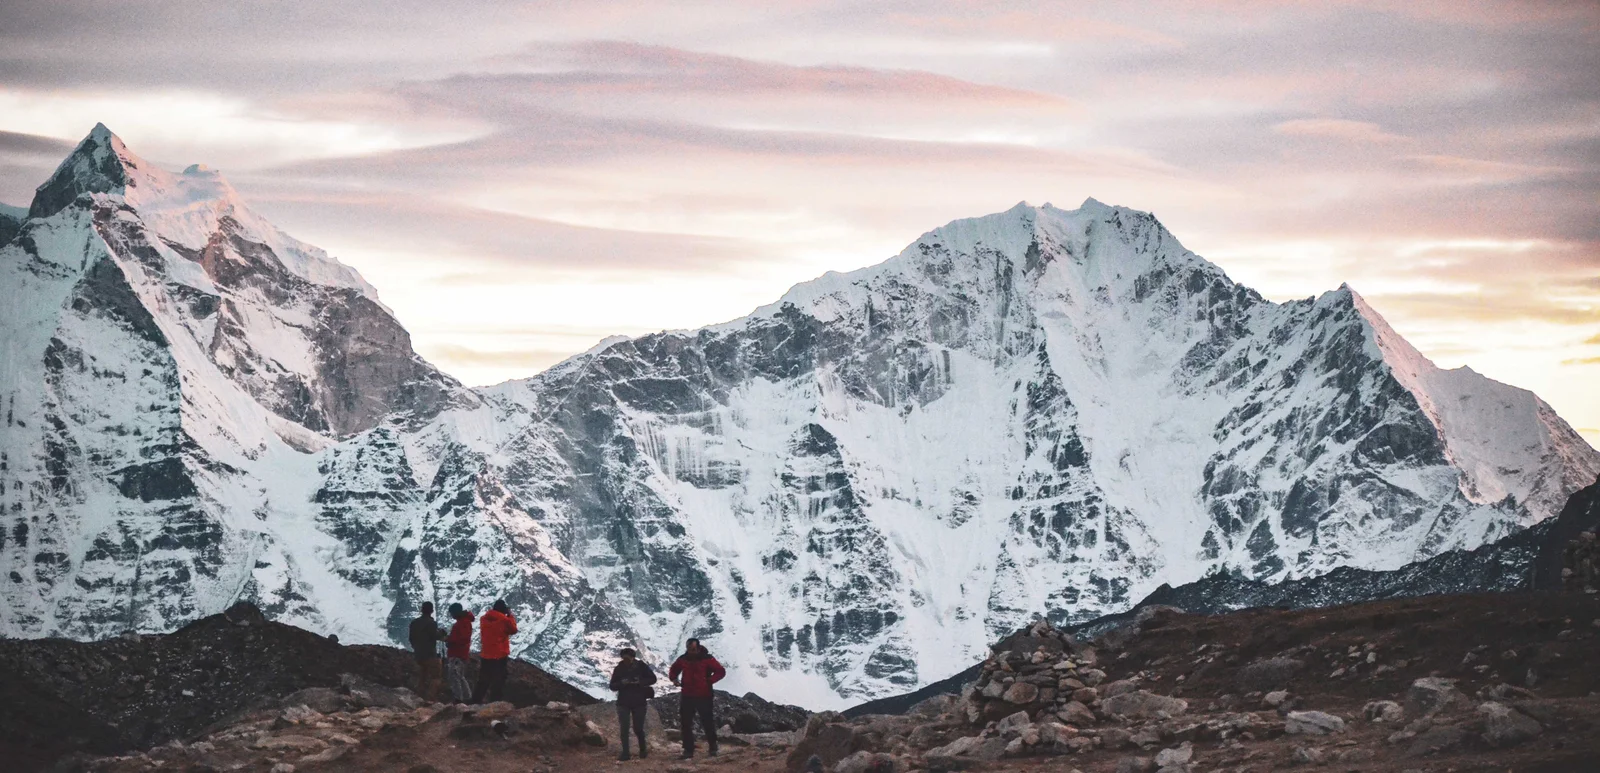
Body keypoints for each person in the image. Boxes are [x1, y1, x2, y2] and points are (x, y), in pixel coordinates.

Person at [668, 638, 725, 759]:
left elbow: (720, 671)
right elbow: (674, 669)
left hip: (704, 695)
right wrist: (674, 679)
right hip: (687, 695)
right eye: (689, 649)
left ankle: (713, 747)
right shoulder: (683, 659)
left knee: (707, 721)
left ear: (698, 648)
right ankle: (688, 750)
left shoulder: (707, 659)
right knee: (686, 723)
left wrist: (710, 681)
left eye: (693, 649)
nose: (691, 651)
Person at [608, 647, 658, 761]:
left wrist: (639, 682)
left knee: (638, 728)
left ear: (633, 658)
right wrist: (622, 683)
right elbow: (612, 686)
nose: (626, 660)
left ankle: (643, 750)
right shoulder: (619, 669)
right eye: (624, 658)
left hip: (639, 702)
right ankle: (626, 753)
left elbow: (653, 679)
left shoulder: (641, 666)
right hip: (623, 703)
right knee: (624, 728)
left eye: (628, 658)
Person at [472, 599, 518, 704]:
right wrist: (510, 615)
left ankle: (476, 700)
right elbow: (513, 630)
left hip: (486, 653)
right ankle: (495, 702)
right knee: (499, 679)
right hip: (499, 654)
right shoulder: (505, 620)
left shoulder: (484, 619)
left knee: (483, 679)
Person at [407, 602, 448, 702]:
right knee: (436, 677)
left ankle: (418, 698)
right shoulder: (431, 623)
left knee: (422, 677)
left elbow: (411, 638)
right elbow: (436, 636)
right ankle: (430, 700)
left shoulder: (414, 623)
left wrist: (416, 648)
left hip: (418, 655)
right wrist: (442, 633)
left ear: (421, 610)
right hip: (430, 655)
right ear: (432, 611)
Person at [444, 603, 475, 703]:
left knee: (455, 676)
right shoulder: (463, 622)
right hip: (460, 653)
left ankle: (459, 699)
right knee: (460, 676)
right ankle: (467, 699)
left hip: (457, 653)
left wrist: (450, 641)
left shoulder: (463, 623)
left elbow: (463, 639)